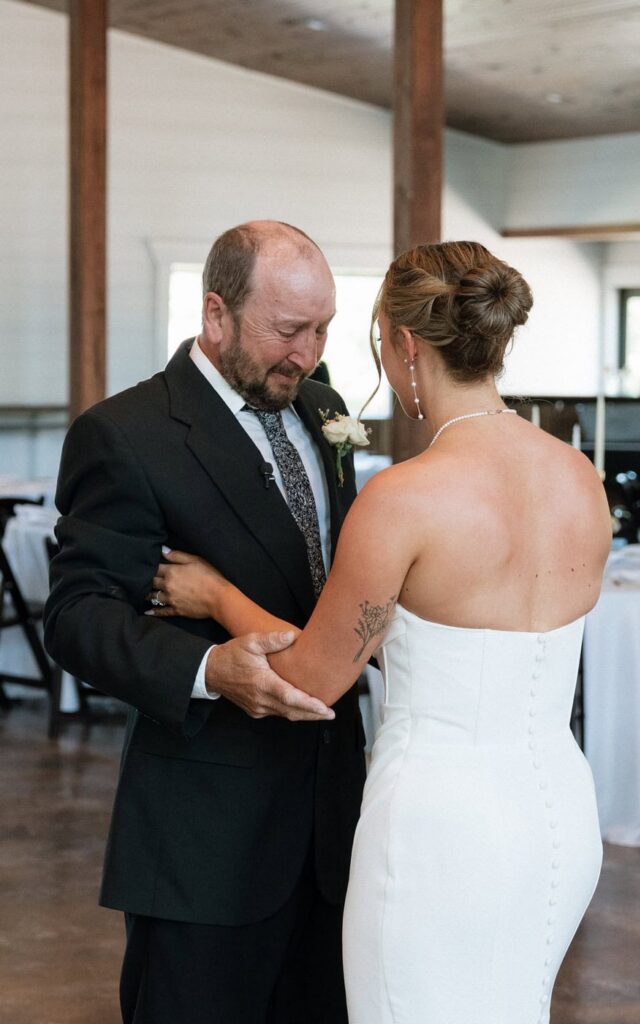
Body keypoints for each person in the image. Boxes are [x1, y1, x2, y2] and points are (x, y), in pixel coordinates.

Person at [149, 240, 612, 1024]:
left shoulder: (406, 498)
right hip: (560, 817)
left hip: (440, 831)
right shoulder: (578, 477)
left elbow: (312, 679)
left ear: (402, 344)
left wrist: (217, 595)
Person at [44, 221, 367, 1024]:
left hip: (336, 828)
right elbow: (78, 616)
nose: (308, 353)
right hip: (205, 837)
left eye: (323, 328)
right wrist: (207, 671)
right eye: (289, 330)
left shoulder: (322, 407)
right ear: (216, 314)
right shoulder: (126, 434)